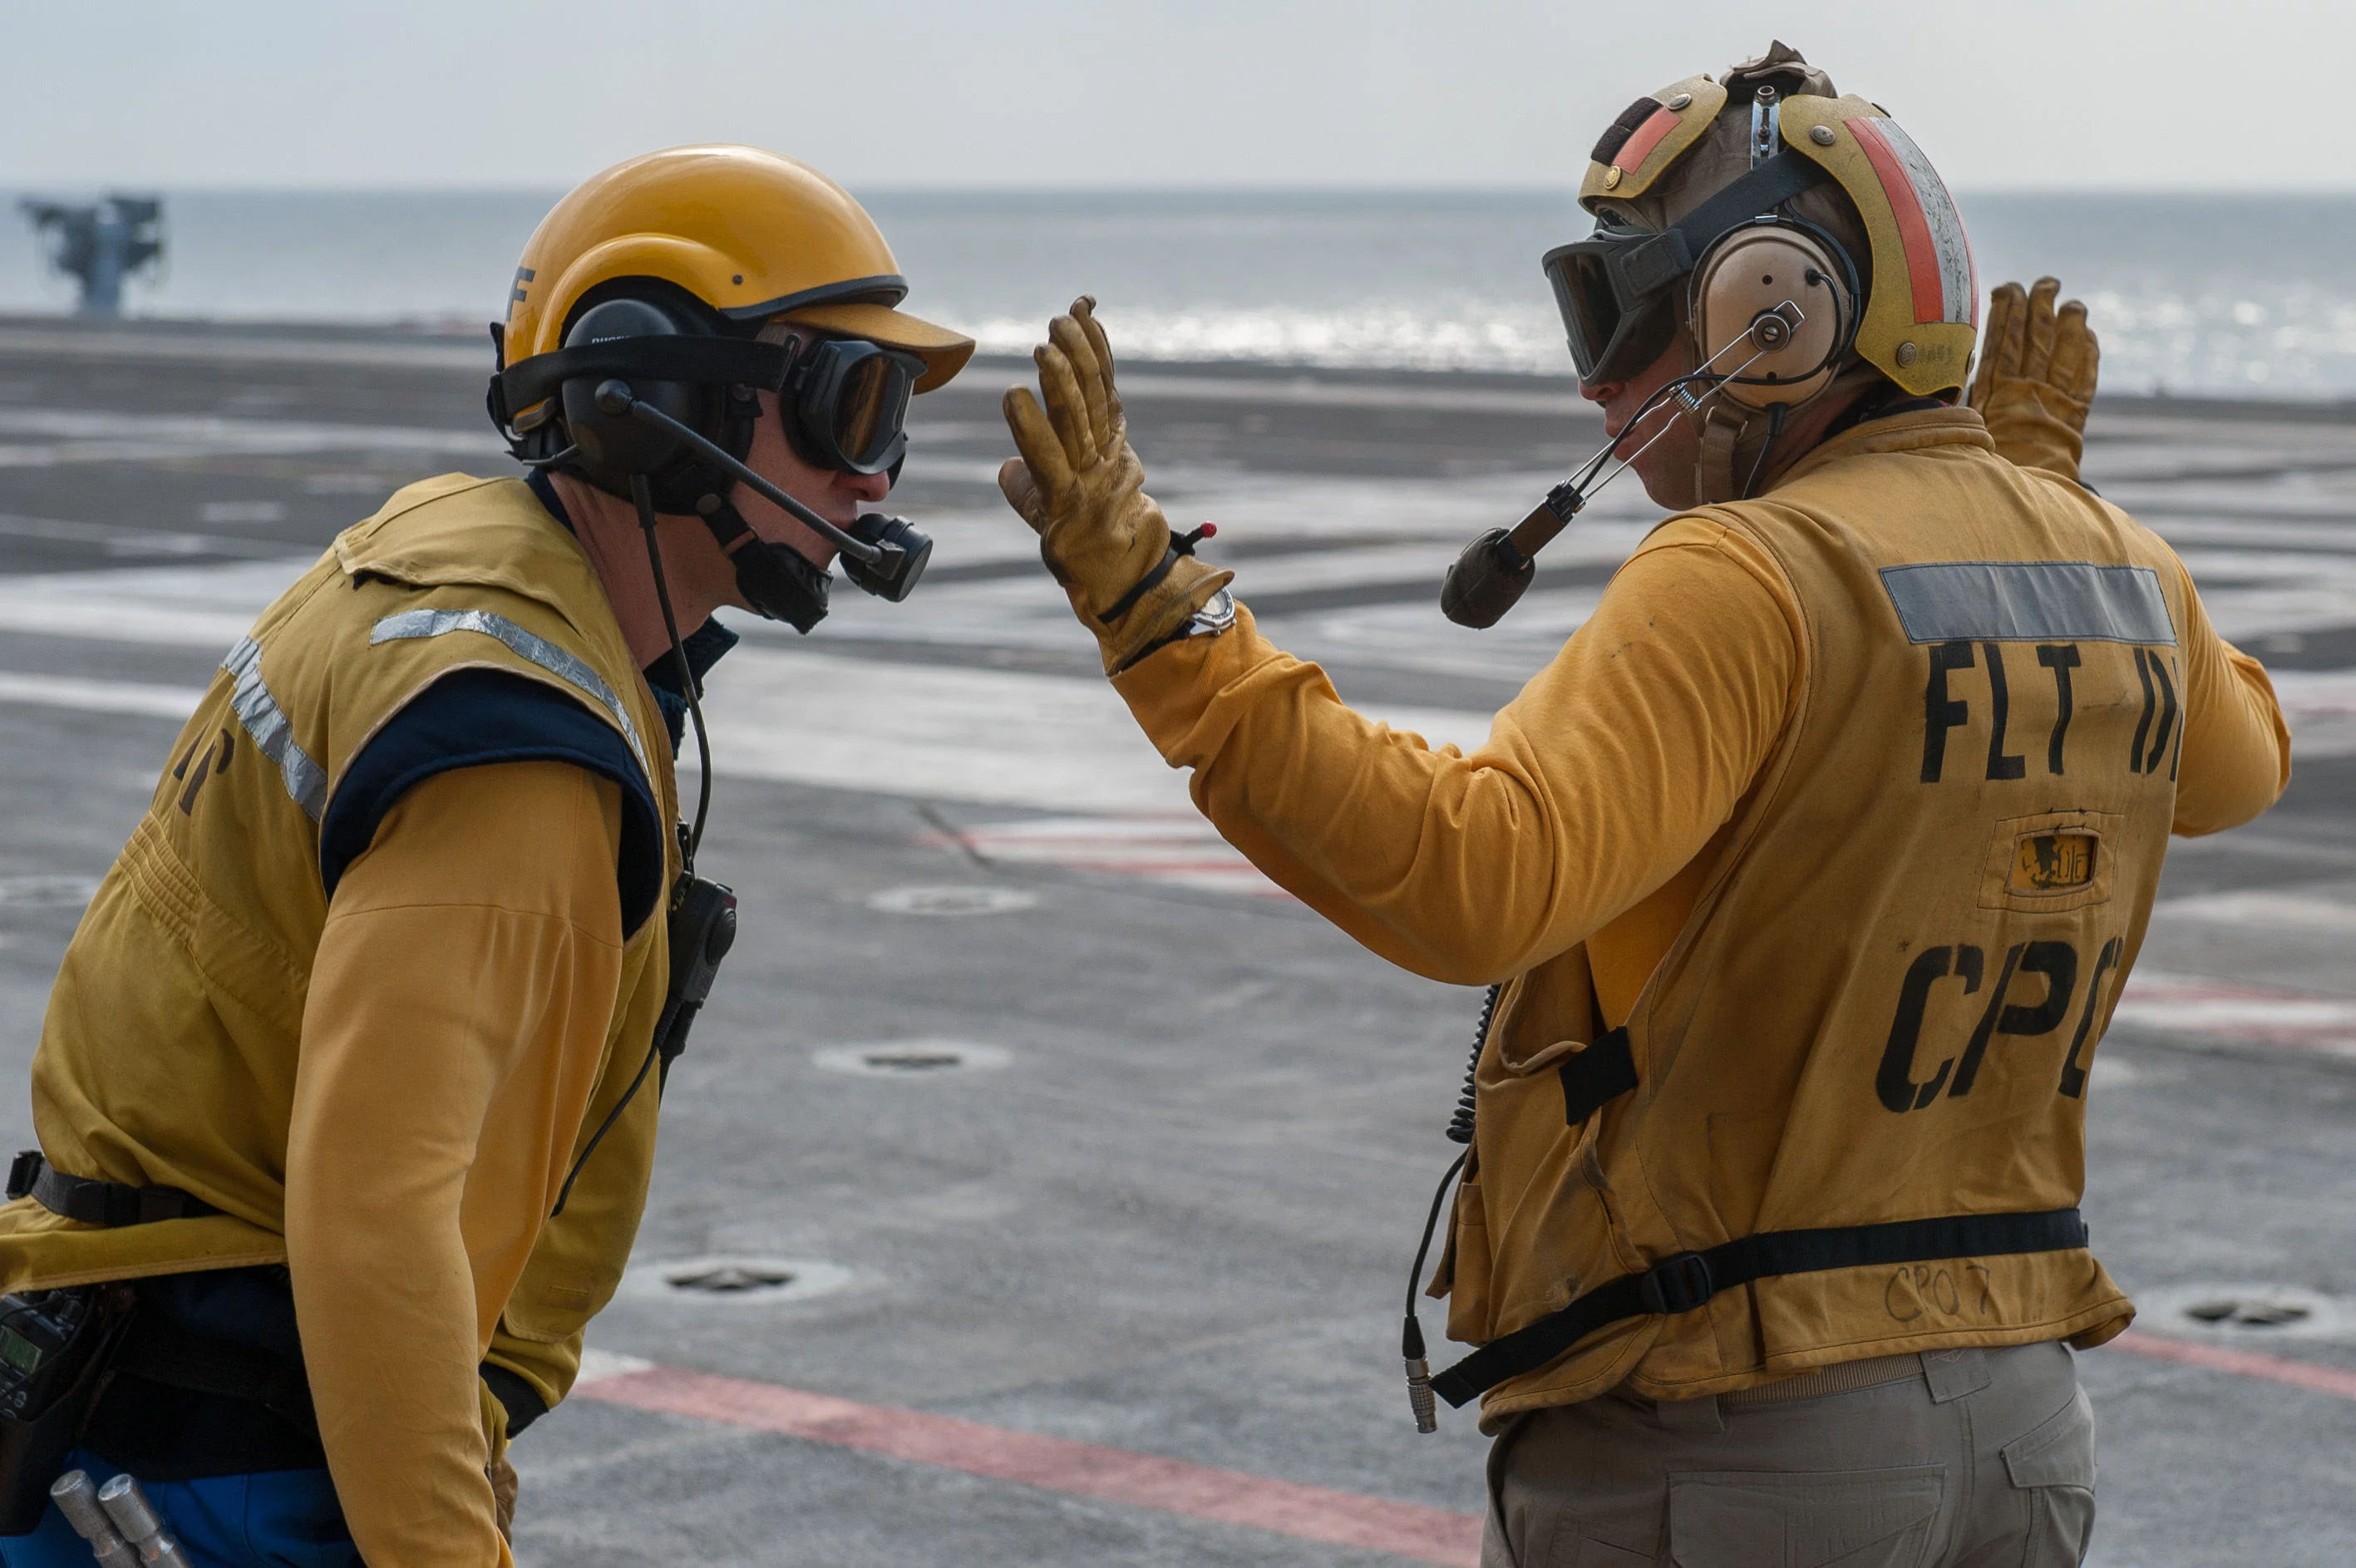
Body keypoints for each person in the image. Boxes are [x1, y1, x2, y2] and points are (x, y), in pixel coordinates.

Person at [996, 44, 2289, 1568]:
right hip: (2018, 1430)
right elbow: (2238, 767)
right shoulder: (2126, 572)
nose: (1596, 378)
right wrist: (2034, 503)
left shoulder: (1745, 575)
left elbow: (1469, 878)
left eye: (1615, 307)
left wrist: (1162, 620)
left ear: (1768, 312)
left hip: (1738, 1435)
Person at [0, 144, 971, 1566]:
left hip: (148, 1406)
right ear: (648, 402)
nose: (873, 470)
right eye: (850, 402)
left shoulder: (451, 553)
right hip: (237, 1471)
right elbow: (376, 1219)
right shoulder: (515, 750)